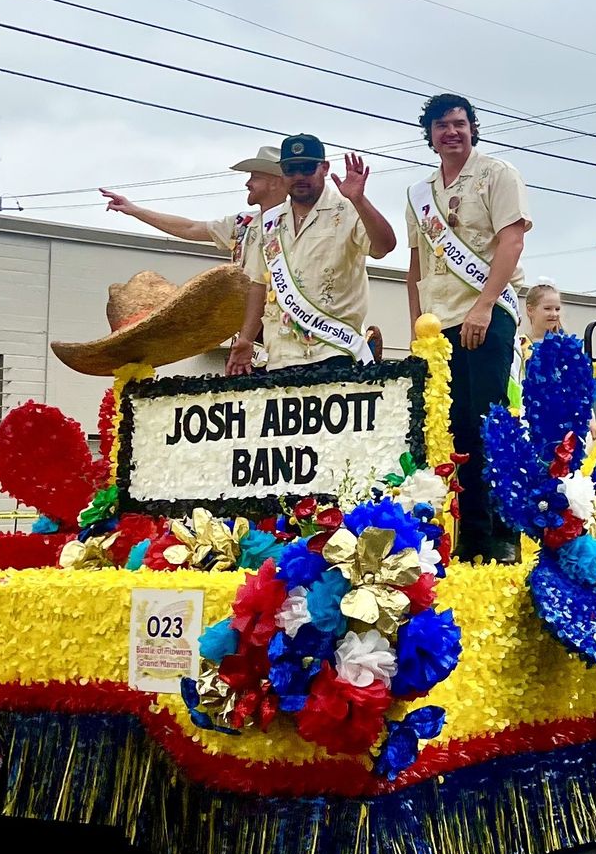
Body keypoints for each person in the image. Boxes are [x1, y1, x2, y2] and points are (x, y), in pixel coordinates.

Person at [405, 94, 530, 564]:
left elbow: (511, 241)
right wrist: (417, 330)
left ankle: (501, 534)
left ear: (473, 128)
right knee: (454, 433)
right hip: (439, 329)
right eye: (442, 126)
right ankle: (470, 537)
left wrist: (483, 305)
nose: (451, 132)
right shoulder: (420, 193)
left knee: (488, 425)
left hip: (486, 313)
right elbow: (415, 264)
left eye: (459, 123)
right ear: (430, 135)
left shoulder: (498, 174)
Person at [229, 135, 396, 375]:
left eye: (307, 168)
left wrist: (360, 200)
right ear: (282, 173)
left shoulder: (348, 209)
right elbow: (258, 285)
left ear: (324, 168)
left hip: (334, 352)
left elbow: (384, 247)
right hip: (279, 356)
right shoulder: (269, 223)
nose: (299, 177)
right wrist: (245, 339)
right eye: (291, 169)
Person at [101, 146, 286, 267]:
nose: (248, 183)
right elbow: (190, 228)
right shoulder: (243, 224)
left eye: (256, 177)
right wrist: (135, 211)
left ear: (275, 183)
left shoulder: (297, 222)